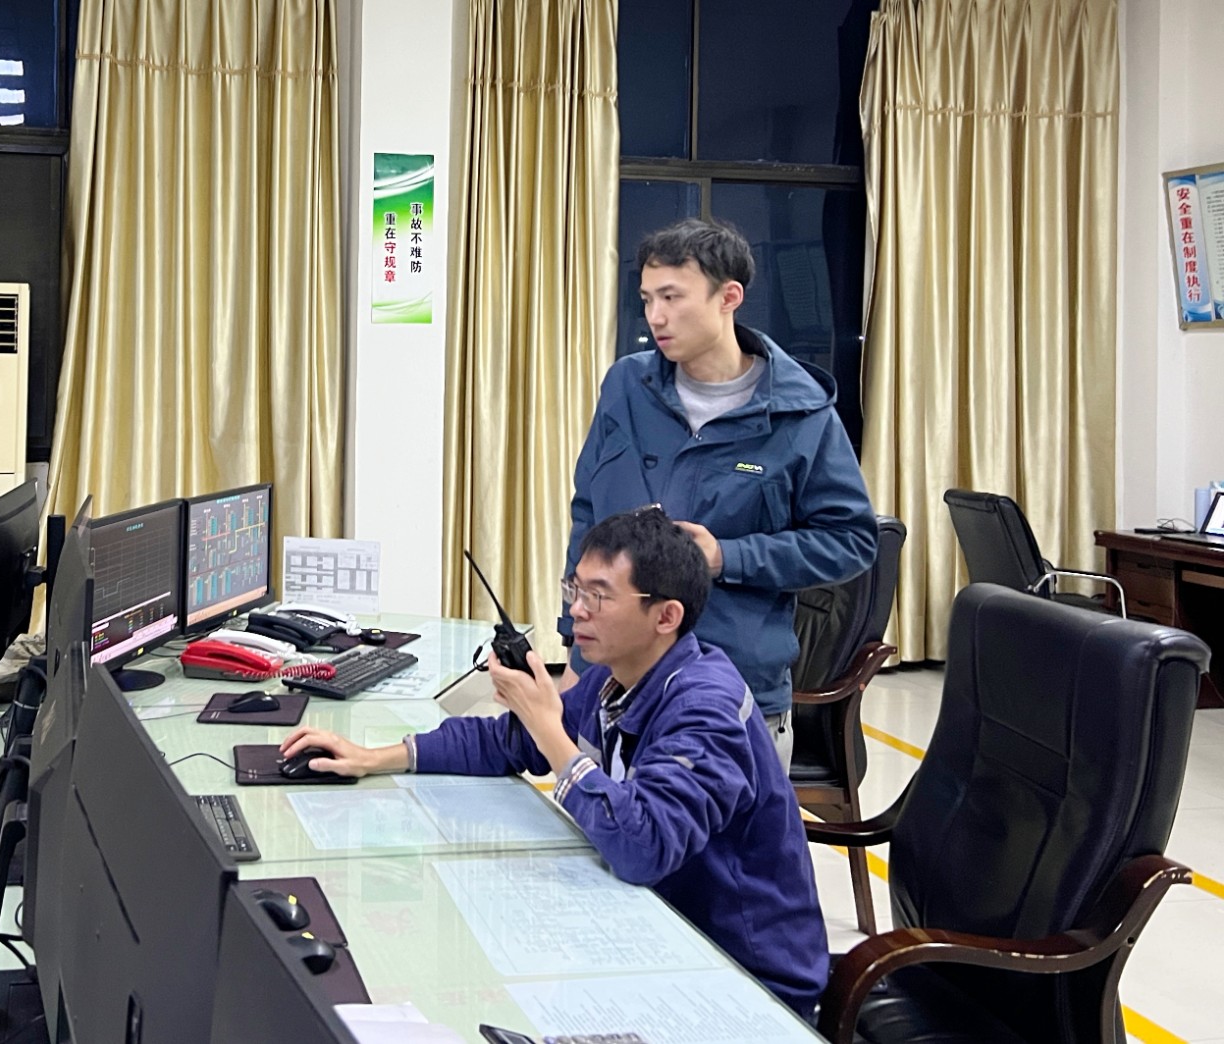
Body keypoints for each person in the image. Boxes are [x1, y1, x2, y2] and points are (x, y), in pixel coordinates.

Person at [280, 508, 828, 1018]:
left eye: (599, 596)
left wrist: (548, 726)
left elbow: (643, 848)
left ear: (666, 616)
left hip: (746, 978)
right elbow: (504, 742)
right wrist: (377, 757)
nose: (577, 610)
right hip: (659, 931)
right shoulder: (618, 675)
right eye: (575, 589)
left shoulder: (705, 708)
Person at [562, 218, 877, 768]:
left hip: (730, 694)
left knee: (707, 829)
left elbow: (850, 541)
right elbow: (588, 516)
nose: (655, 316)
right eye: (647, 299)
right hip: (613, 682)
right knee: (595, 819)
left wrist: (728, 556)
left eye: (672, 297)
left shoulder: (800, 414)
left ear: (728, 297)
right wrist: (574, 642)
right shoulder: (626, 387)